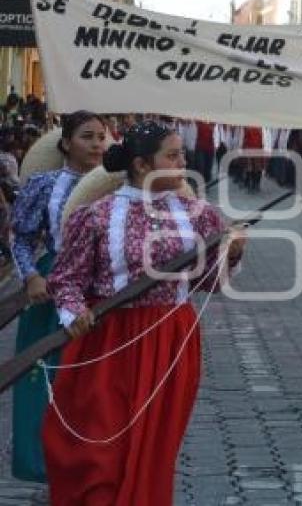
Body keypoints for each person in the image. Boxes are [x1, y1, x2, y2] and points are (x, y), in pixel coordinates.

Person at [42, 121, 246, 505]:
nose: (183, 161)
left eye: (182, 153)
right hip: (107, 342)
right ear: (141, 164)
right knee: (101, 446)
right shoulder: (96, 216)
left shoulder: (199, 214)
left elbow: (208, 283)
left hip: (171, 341)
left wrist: (231, 254)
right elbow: (65, 280)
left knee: (153, 445)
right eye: (172, 155)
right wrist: (74, 313)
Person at [10, 111, 108, 482]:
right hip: (51, 286)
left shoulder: (117, 187)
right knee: (43, 372)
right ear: (66, 142)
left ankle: (91, 461)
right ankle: (40, 461)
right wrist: (32, 275)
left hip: (100, 291)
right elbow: (19, 237)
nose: (97, 144)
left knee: (92, 379)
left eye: (102, 137)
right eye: (87, 136)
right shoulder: (44, 185)